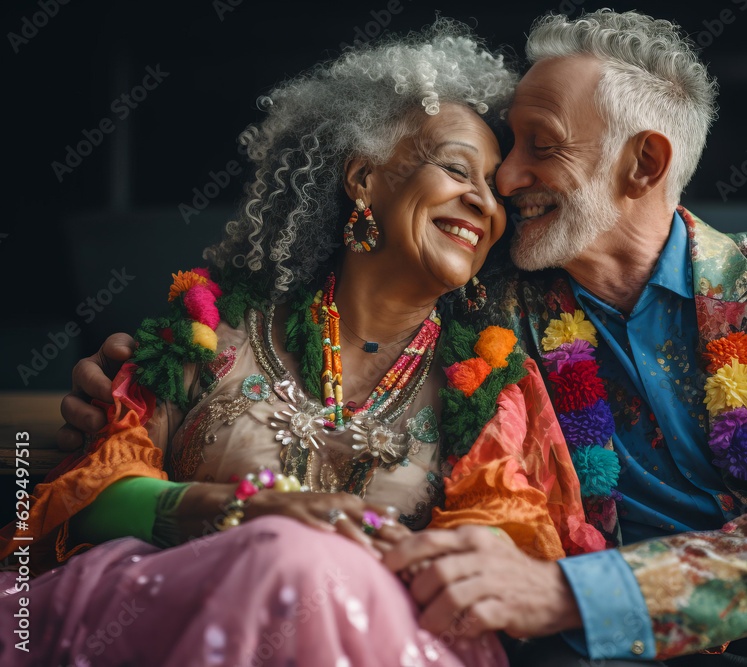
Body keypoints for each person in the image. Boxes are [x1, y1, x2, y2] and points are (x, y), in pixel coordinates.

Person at [52, 9, 747, 666]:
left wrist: (569, 596)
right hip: (611, 646)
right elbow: (354, 286)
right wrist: (141, 369)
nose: (505, 179)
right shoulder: (497, 302)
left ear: (645, 161)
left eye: (538, 145)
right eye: (502, 150)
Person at [0, 21, 604, 667]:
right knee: (291, 559)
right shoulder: (212, 331)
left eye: (495, 187)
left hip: (388, 639)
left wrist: (345, 564)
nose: (484, 201)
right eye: (457, 168)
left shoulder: (488, 386)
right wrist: (229, 510)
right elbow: (83, 499)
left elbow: (504, 547)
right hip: (170, 619)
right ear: (363, 179)